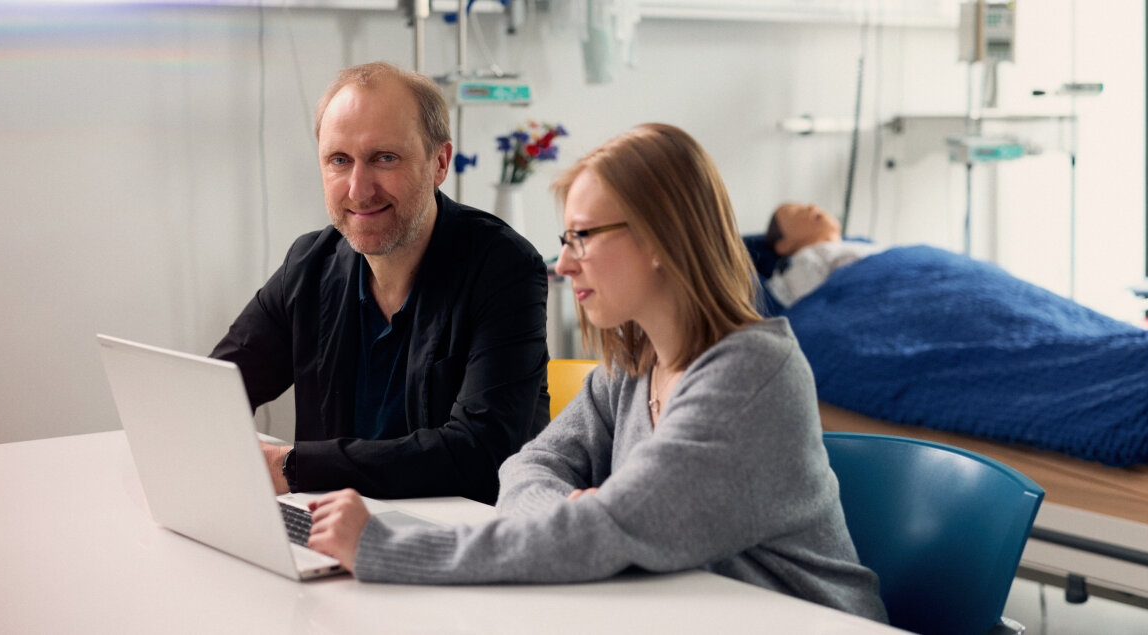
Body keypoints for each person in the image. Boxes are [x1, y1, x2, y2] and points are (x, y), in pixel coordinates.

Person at [304, 123, 888, 621]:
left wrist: (392, 548)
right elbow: (528, 466)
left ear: (662, 237)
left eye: (583, 236)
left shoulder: (751, 376)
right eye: (566, 238)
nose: (563, 262)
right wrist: (574, 517)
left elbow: (609, 531)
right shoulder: (632, 367)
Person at [210, 62, 550, 504]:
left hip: (459, 539)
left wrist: (291, 466)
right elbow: (216, 390)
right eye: (339, 161)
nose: (358, 189)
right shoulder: (309, 265)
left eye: (384, 158)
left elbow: (477, 454)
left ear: (439, 163)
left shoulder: (503, 268)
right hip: (337, 524)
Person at [762, 202, 883, 308]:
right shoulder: (804, 261)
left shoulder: (861, 244)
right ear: (783, 245)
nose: (812, 206)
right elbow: (813, 310)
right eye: (796, 212)